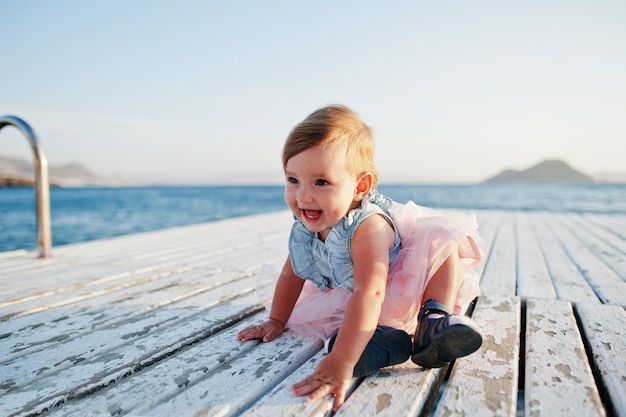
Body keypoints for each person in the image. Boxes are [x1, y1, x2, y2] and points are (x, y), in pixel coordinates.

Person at [236, 105, 483, 411]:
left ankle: (433, 318)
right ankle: (379, 341)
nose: (303, 196)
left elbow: (372, 291)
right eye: (293, 180)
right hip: (356, 295)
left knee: (441, 239)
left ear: (359, 186)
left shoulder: (367, 227)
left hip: (398, 285)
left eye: (321, 182)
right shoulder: (304, 228)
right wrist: (276, 319)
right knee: (337, 333)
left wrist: (341, 361)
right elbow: (292, 274)